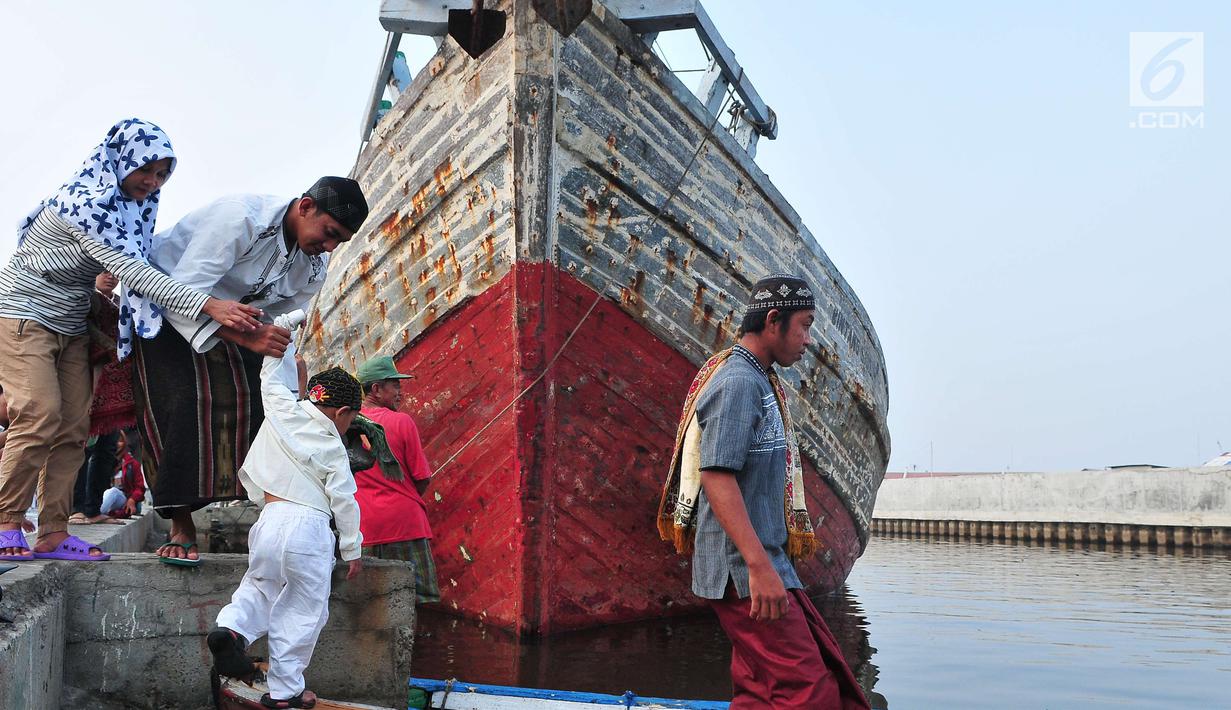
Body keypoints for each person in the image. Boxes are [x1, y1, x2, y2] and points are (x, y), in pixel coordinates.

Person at [0, 118, 262, 563]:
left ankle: (53, 532)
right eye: (146, 169)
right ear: (120, 160)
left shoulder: (127, 211)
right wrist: (210, 305)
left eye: (162, 174)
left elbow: (138, 260)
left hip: (72, 324)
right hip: (25, 316)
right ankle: (6, 523)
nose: (152, 182)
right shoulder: (87, 205)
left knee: (73, 429)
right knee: (39, 414)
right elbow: (135, 273)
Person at [657, 275, 869, 710]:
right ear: (774, 321)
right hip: (745, 572)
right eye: (804, 326)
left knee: (759, 692)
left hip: (761, 566)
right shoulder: (738, 382)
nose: (808, 340)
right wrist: (758, 568)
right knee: (812, 692)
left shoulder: (759, 379)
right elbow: (716, 476)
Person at [133, 176, 369, 566]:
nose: (328, 247)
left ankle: (278, 513)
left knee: (265, 410)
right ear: (306, 206)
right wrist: (246, 338)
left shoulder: (313, 267)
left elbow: (282, 324)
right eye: (328, 234)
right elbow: (179, 290)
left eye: (338, 242)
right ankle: (180, 522)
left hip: (240, 321)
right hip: (165, 304)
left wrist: (291, 376)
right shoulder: (240, 220)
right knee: (182, 404)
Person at [208, 311, 363, 709]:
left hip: (268, 522)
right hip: (308, 529)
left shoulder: (281, 411)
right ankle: (286, 692)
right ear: (343, 414)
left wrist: (286, 329)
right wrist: (352, 550)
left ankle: (232, 630)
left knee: (259, 587)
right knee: (303, 610)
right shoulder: (333, 448)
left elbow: (271, 375)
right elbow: (344, 502)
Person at [354, 356, 439, 603]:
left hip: (363, 525)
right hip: (405, 524)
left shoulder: (347, 421)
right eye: (395, 385)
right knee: (413, 599)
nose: (400, 392)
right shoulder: (402, 421)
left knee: (368, 602)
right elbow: (422, 477)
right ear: (376, 389)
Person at [100, 431, 145, 518]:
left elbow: (140, 488)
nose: (116, 444)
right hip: (105, 500)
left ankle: (96, 513)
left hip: (125, 500)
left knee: (113, 492)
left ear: (125, 442)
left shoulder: (132, 463)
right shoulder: (102, 462)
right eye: (113, 441)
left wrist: (132, 499)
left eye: (119, 441)